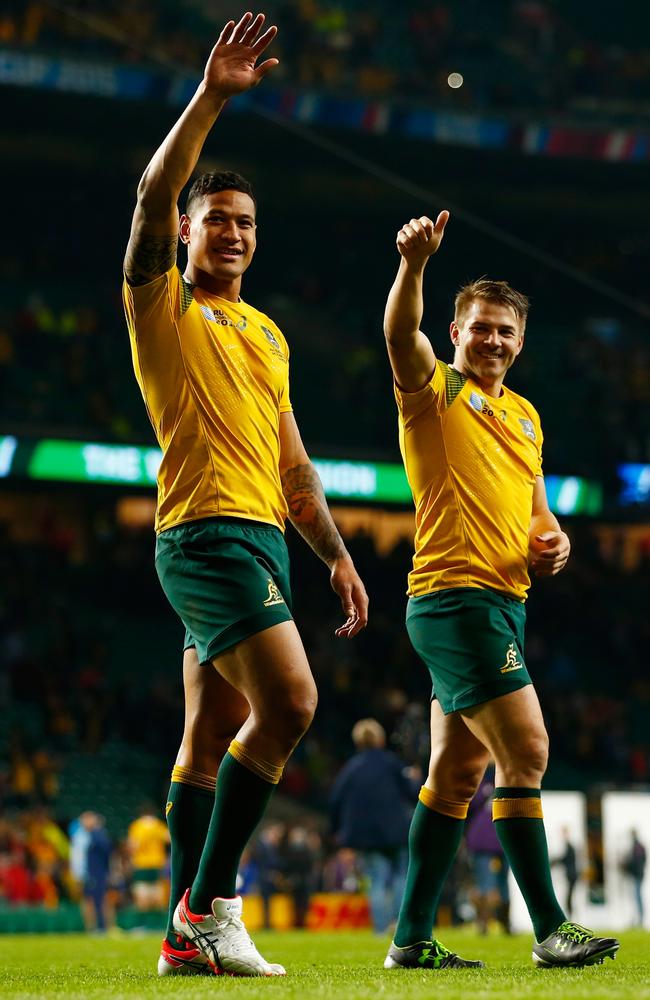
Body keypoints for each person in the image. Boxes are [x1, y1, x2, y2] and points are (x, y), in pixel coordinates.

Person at [122, 10, 368, 979]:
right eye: (215, 218)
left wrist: (339, 556)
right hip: (204, 536)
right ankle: (206, 906)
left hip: (261, 536)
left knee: (208, 733)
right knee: (295, 702)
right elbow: (148, 194)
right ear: (187, 231)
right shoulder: (162, 307)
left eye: (244, 223)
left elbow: (294, 467)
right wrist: (212, 98)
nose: (231, 232)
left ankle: (184, 942)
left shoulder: (267, 334)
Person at [381, 211, 619, 970]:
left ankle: (410, 940)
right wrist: (412, 268)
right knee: (529, 749)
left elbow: (538, 512)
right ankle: (551, 928)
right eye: (480, 327)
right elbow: (397, 336)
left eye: (505, 332)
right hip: (456, 599)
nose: (493, 341)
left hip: (503, 603)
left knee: (455, 776)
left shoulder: (526, 416)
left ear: (521, 343)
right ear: (455, 332)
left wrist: (556, 542)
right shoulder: (433, 391)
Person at [330, 718, 416, 933]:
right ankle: (398, 923)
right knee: (400, 875)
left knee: (376, 879)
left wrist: (336, 831)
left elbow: (335, 800)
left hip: (366, 835)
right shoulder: (392, 763)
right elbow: (412, 793)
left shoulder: (351, 767)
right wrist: (414, 778)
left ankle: (380, 929)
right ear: (380, 739)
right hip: (395, 831)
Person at [465, 773, 511, 934]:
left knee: (493, 884)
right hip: (493, 840)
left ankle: (499, 924)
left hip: (495, 839)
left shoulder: (484, 782)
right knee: (489, 884)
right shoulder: (484, 783)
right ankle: (490, 924)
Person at [126, 803, 170, 912]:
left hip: (141, 864)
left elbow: (133, 846)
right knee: (158, 892)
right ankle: (158, 923)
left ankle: (144, 923)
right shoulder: (158, 825)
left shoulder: (137, 826)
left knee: (142, 893)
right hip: (157, 863)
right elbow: (169, 839)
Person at [552, 826, 578, 918]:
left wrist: (554, 862)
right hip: (570, 875)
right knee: (568, 898)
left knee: (569, 898)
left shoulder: (569, 846)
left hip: (571, 875)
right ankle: (570, 917)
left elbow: (565, 858)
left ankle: (571, 917)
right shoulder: (569, 846)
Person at [621, 829, 646, 927]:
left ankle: (640, 920)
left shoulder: (638, 847)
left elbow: (638, 862)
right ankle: (638, 919)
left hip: (637, 875)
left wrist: (627, 867)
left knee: (637, 898)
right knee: (636, 898)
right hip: (636, 875)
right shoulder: (636, 846)